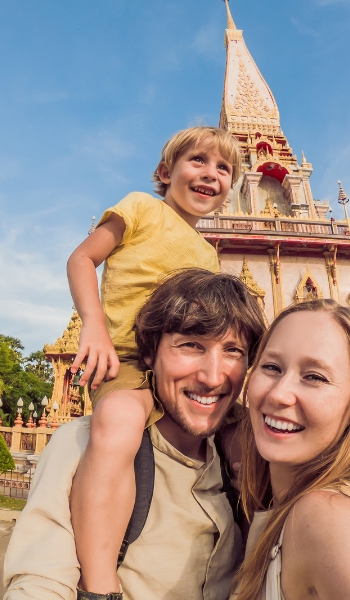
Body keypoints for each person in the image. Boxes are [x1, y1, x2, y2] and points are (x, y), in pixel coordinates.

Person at [4, 269, 266, 600]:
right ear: (149, 354)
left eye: (233, 351)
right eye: (190, 346)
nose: (213, 377)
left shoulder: (241, 458)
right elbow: (41, 581)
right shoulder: (87, 444)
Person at [66, 126, 242, 595]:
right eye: (198, 161)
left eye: (223, 168)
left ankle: (263, 539)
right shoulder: (141, 208)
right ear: (166, 173)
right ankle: (99, 581)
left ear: (229, 190)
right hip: (125, 358)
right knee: (122, 417)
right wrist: (94, 324)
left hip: (182, 372)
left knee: (249, 429)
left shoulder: (209, 255)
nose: (210, 174)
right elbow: (82, 259)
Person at [231, 300, 350, 600]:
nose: (278, 394)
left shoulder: (328, 519)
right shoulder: (276, 506)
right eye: (271, 367)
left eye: (314, 377)